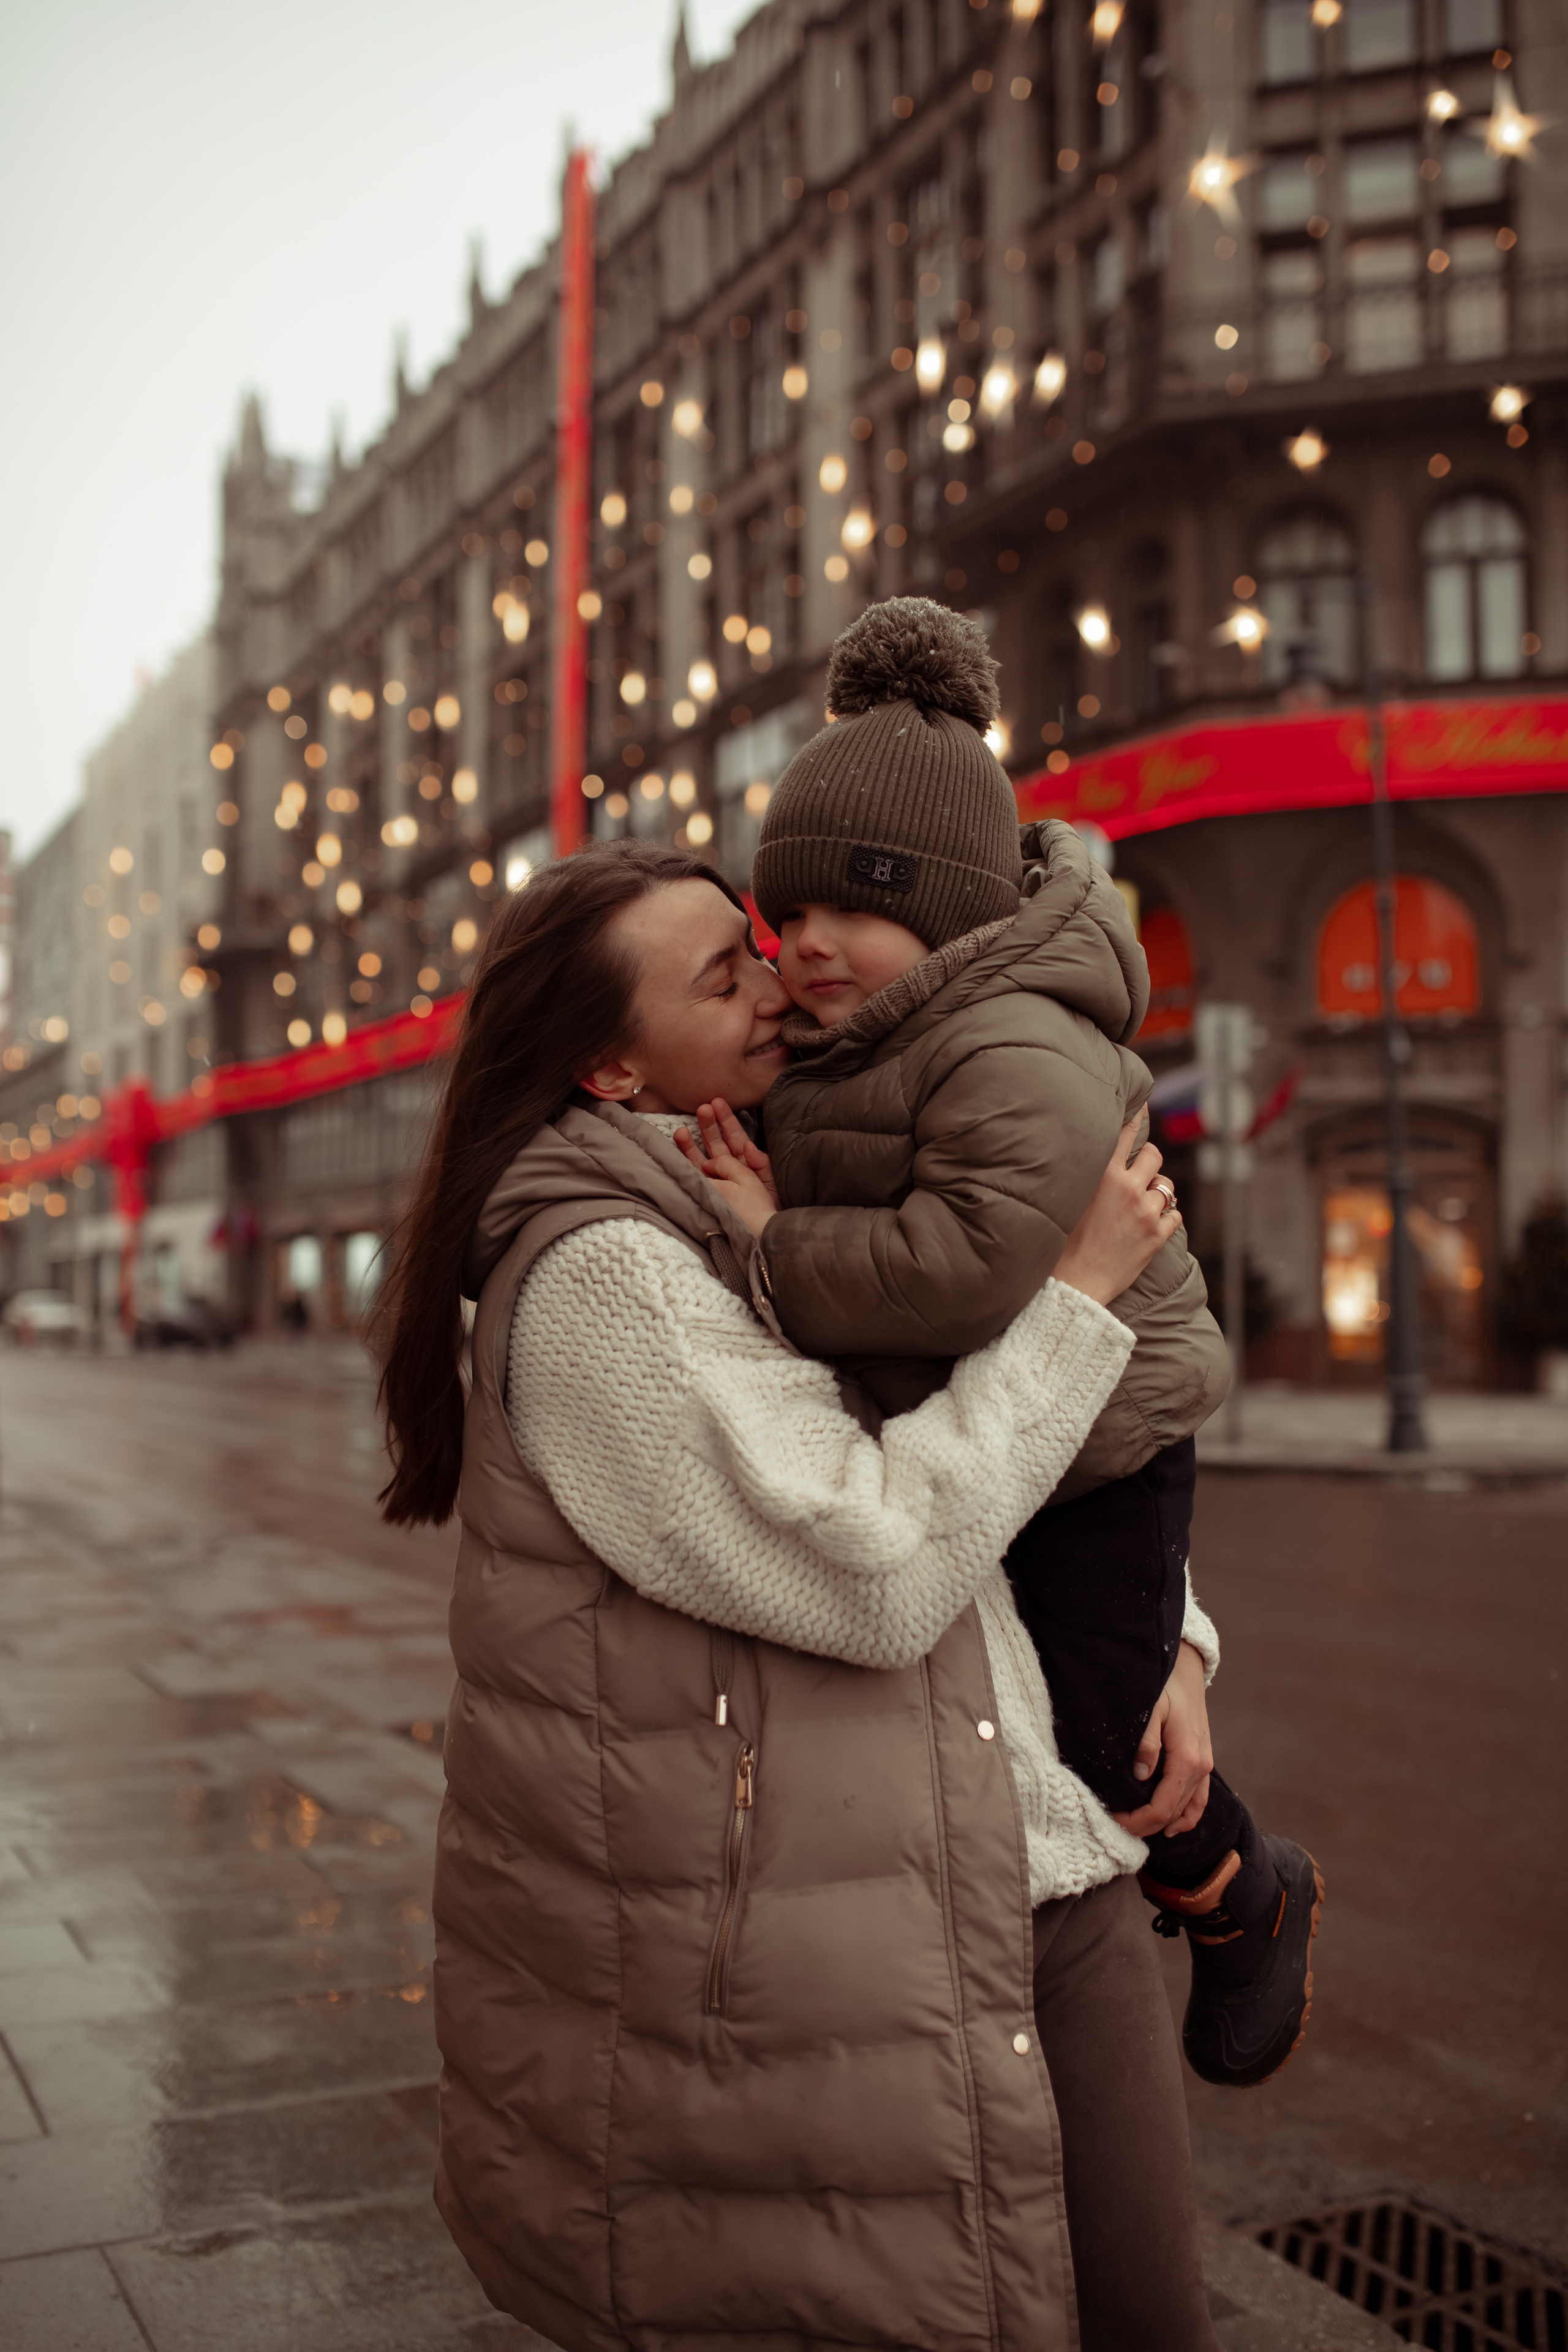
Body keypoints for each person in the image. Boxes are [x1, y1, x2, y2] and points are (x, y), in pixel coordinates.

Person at [375, 838, 1224, 2352]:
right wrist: (1074, 1299)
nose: (778, 985)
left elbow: (1011, 1448)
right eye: (722, 980)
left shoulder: (771, 1179)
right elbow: (880, 1559)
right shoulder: (604, 1281)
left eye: (757, 947)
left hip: (1000, 1861)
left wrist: (1173, 1641)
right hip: (862, 1943)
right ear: (608, 1070)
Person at [680, 595, 1322, 2093]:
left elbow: (958, 1272)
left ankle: (1242, 1893)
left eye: (853, 908)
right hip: (998, 1436)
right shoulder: (877, 1035)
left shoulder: (1010, 1038)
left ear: (950, 909)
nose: (809, 945)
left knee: (1105, 1730)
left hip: (1097, 1447)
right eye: (788, 914)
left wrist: (770, 1244)